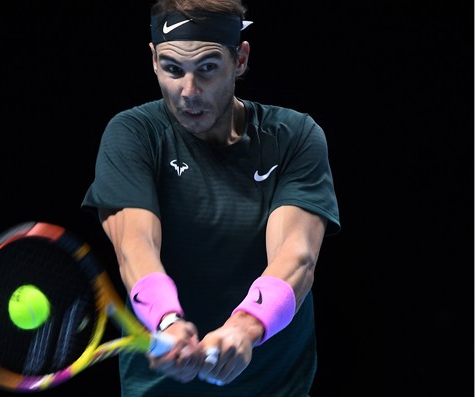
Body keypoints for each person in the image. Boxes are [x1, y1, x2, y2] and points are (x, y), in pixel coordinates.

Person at [81, 0, 340, 395]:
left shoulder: (294, 136)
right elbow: (135, 245)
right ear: (153, 60)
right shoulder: (133, 134)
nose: (189, 91)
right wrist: (167, 320)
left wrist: (246, 325)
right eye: (172, 69)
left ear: (240, 59)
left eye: (207, 68)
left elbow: (296, 254)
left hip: (271, 386)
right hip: (161, 387)